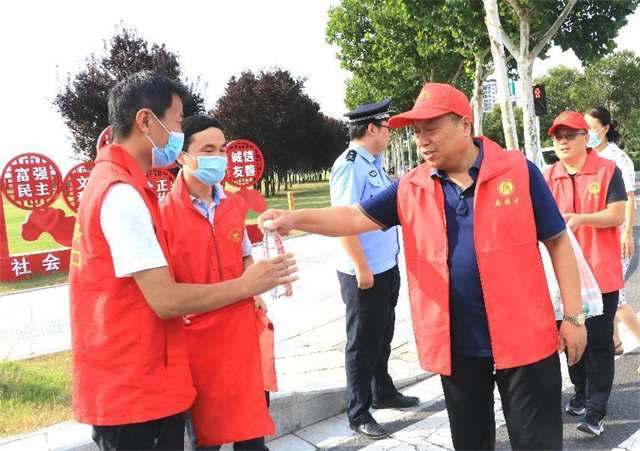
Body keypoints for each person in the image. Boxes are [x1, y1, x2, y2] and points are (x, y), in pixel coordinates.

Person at [258, 83, 587, 451]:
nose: (421, 140)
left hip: (526, 337)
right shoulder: (411, 186)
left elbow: (558, 241)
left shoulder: (517, 171)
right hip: (459, 347)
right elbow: (352, 217)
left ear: (465, 124)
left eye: (431, 129)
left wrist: (574, 317)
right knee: (472, 443)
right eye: (416, 132)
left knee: (538, 443)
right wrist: (294, 218)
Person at [69, 72, 296, 451]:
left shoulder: (119, 184)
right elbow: (166, 299)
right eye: (175, 122)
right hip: (136, 380)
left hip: (152, 371)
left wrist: (252, 285)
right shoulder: (123, 194)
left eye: (222, 149)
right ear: (146, 121)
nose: (176, 132)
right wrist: (247, 285)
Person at [160, 114, 274, 450]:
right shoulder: (164, 214)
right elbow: (164, 287)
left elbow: (244, 255)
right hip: (197, 342)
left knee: (251, 433)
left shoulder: (233, 205)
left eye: (222, 149)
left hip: (240, 336)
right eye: (208, 149)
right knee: (207, 439)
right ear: (182, 155)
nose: (219, 158)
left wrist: (254, 288)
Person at [330, 99, 418, 439]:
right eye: (387, 129)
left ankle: (383, 391)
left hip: (385, 265)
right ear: (371, 129)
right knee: (362, 342)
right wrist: (361, 267)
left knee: (383, 333)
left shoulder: (374, 163)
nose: (389, 135)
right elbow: (343, 221)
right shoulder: (350, 166)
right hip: (363, 272)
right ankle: (358, 411)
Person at [543, 111, 626, 436]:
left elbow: (617, 213)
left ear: (586, 137)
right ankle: (579, 391)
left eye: (569, 135)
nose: (562, 142)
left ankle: (596, 410)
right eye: (557, 137)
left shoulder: (607, 170)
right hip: (564, 277)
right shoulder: (549, 176)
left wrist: (582, 219)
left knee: (599, 342)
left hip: (600, 273)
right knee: (570, 336)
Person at [584, 107, 640, 372]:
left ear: (605, 129)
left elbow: (629, 197)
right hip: (594, 238)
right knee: (603, 294)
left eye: (592, 128)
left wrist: (627, 233)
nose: (587, 133)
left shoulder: (617, 158)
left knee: (614, 297)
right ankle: (616, 342)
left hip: (616, 237)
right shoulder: (586, 157)